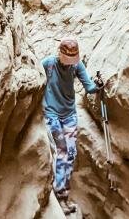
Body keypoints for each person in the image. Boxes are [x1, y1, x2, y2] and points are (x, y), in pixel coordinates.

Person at [41, 37, 105, 214]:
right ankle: (59, 195)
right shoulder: (48, 64)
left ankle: (62, 193)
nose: (70, 63)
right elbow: (37, 80)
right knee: (61, 151)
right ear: (59, 53)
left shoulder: (77, 65)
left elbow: (89, 87)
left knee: (70, 154)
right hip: (52, 114)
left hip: (69, 115)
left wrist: (98, 86)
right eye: (67, 59)